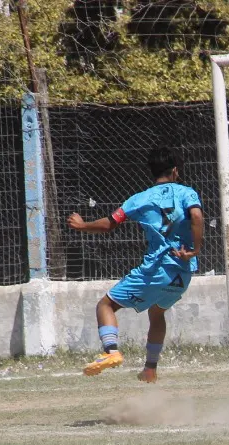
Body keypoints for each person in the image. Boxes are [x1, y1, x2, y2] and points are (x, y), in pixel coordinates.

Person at [67, 146, 205, 383]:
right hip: (182, 273)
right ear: (174, 171)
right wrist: (195, 250)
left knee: (106, 305)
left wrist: (82, 225)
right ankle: (150, 368)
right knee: (157, 311)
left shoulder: (138, 199)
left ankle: (111, 351)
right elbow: (197, 216)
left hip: (157, 268)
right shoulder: (186, 192)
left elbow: (109, 224)